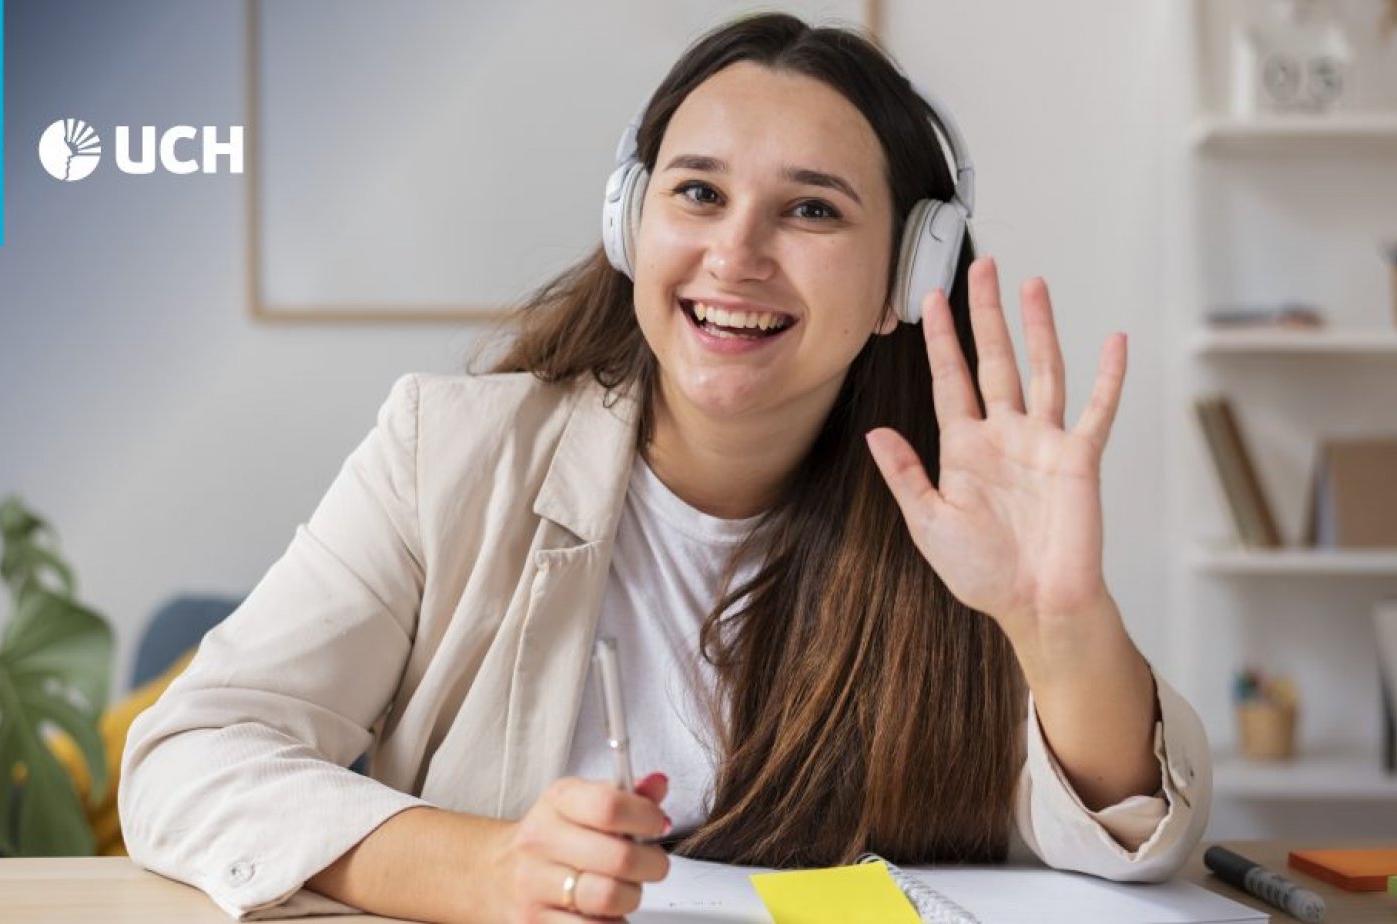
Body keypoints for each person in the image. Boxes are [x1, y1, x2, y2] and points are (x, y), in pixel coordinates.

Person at [120, 13, 1210, 923]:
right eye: (697, 193)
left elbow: (1127, 842)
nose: (735, 252)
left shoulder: (962, 511)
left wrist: (1055, 622)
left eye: (812, 208)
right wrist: (481, 868)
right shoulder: (449, 452)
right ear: (628, 224)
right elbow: (192, 754)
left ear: (906, 275)